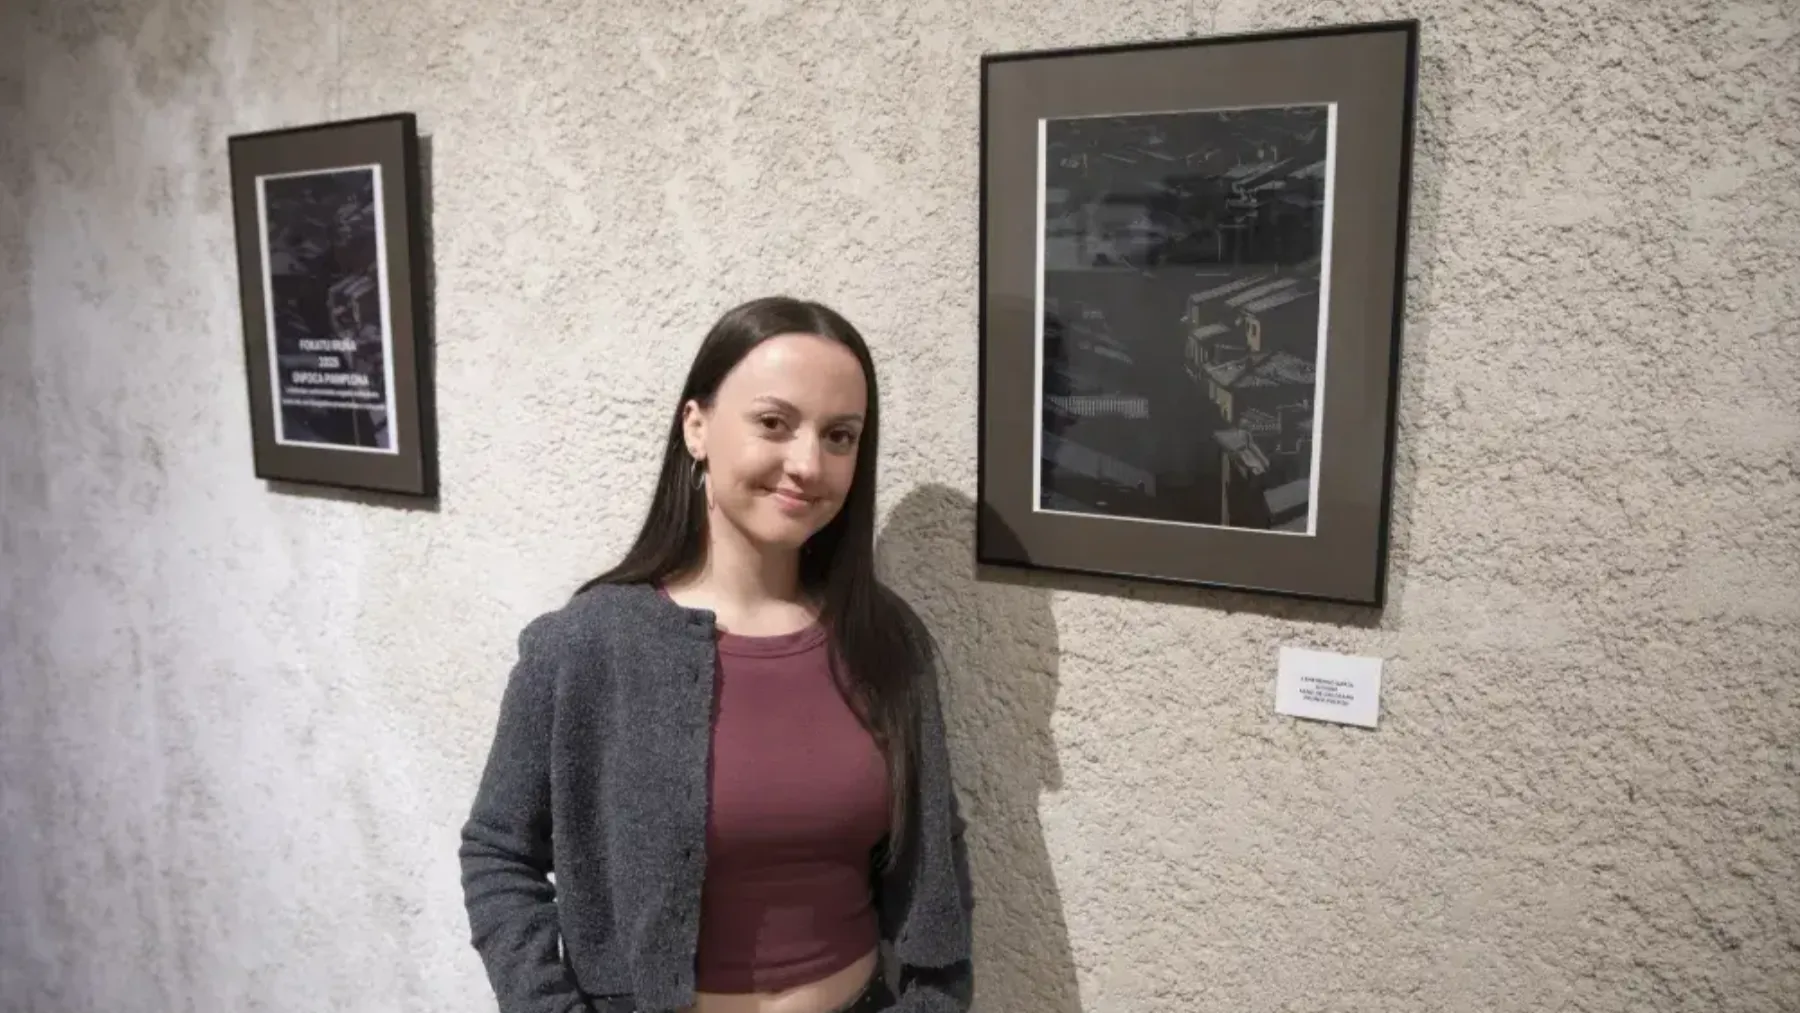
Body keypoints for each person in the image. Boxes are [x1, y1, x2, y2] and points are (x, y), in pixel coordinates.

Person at [458, 296, 975, 1013]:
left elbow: (936, 859)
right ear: (696, 426)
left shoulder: (886, 641)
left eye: (839, 436)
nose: (808, 463)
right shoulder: (587, 645)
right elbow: (499, 854)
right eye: (774, 423)